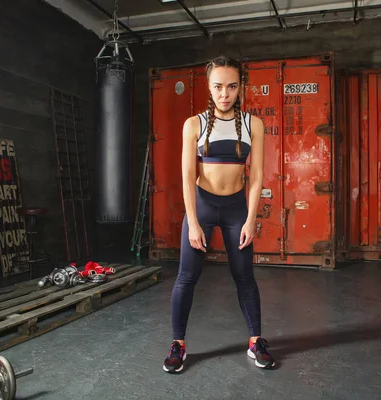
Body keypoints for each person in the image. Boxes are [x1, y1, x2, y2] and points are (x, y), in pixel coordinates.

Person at [162, 55, 275, 373]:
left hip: (236, 209)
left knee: (244, 277)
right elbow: (186, 177)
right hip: (202, 205)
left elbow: (256, 176)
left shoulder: (255, 125)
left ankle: (256, 342)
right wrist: (193, 222)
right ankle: (178, 345)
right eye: (218, 87)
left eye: (231, 86)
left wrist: (252, 219)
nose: (224, 93)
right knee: (187, 277)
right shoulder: (193, 124)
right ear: (209, 88)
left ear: (240, 88)